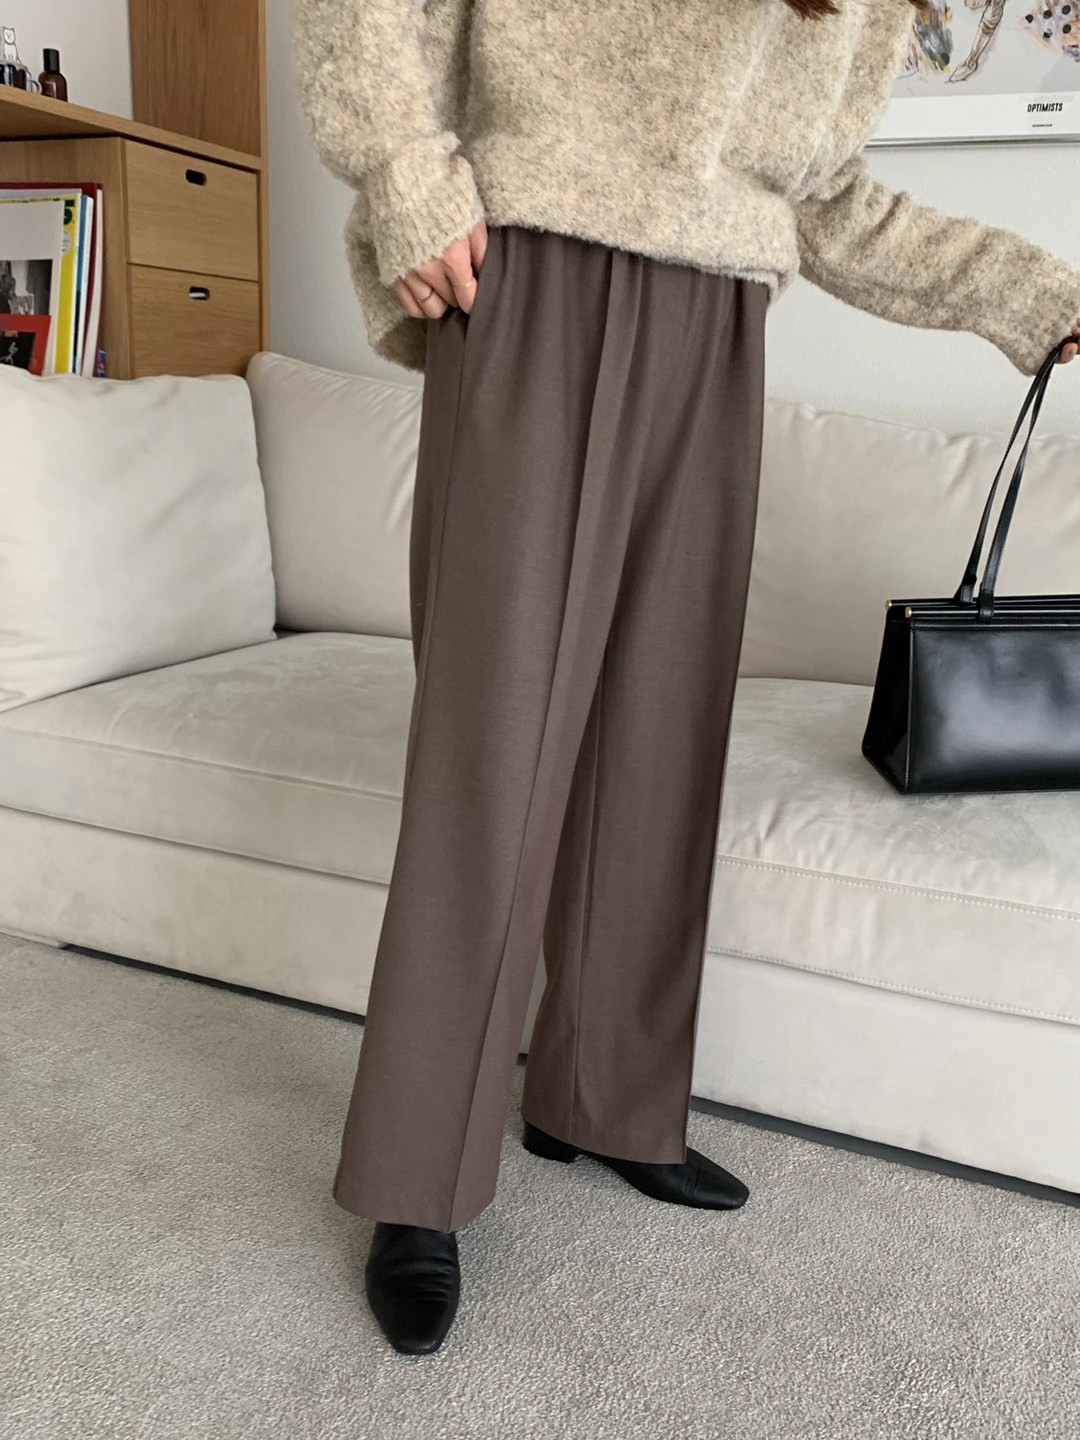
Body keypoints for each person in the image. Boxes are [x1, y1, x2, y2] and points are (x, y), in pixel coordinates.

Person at [293, 0, 1080, 1356]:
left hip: (716, 318)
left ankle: (603, 1100)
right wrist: (407, 177)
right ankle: (417, 1179)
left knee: (659, 745)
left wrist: (1043, 297)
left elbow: (824, 198)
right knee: (496, 757)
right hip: (533, 277)